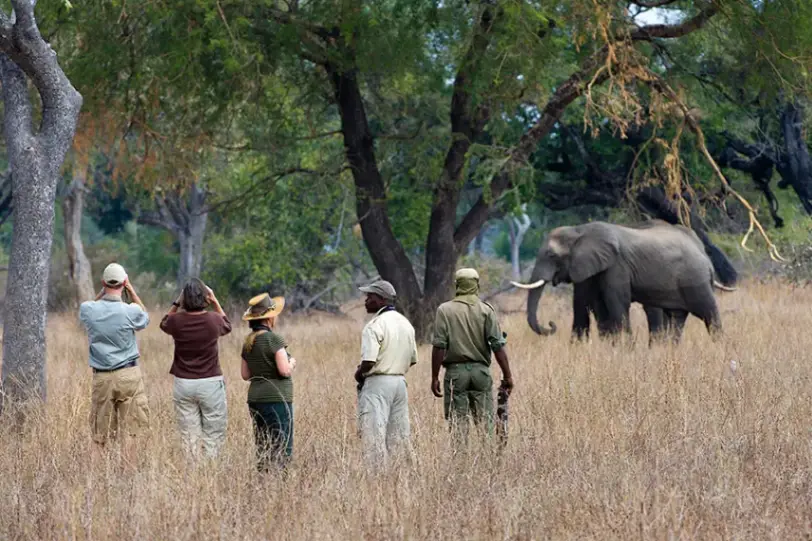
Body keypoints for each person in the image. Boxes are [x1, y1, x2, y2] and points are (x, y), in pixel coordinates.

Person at [430, 268, 513, 441]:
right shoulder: (486, 310)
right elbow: (498, 346)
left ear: (457, 286)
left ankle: (461, 465)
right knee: (486, 425)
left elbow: (439, 346)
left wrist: (435, 377)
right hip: (480, 373)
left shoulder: (444, 310)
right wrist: (508, 376)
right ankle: (488, 462)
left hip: (455, 374)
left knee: (458, 426)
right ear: (477, 285)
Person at [79, 263, 151, 450]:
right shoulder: (131, 311)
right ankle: (128, 476)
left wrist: (103, 293)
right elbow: (145, 317)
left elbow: (89, 308)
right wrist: (132, 292)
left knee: (99, 435)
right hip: (129, 375)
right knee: (132, 432)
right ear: (124, 282)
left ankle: (97, 477)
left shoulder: (89, 309)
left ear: (103, 283)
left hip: (101, 376)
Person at [159, 278, 232, 459]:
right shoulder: (214, 320)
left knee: (188, 435)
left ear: (184, 299)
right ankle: (209, 472)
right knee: (213, 434)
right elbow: (227, 325)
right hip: (210, 382)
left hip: (183, 383)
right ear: (204, 298)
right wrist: (215, 300)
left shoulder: (176, 321)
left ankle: (192, 474)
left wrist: (177, 302)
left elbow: (164, 322)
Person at [355, 279, 419, 467]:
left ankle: (376, 479)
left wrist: (359, 374)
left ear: (382, 300)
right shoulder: (405, 323)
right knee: (399, 436)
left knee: (374, 434)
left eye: (370, 297)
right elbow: (413, 359)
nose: (366, 301)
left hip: (378, 383)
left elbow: (369, 361)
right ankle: (402, 475)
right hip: (400, 383)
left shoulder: (374, 325)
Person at [240, 293, 297, 471]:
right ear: (269, 318)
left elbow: (245, 374)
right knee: (281, 443)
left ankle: (263, 478)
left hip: (256, 399)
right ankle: (280, 482)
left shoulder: (248, 341)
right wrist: (292, 362)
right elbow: (284, 370)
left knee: (263, 442)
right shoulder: (274, 339)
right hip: (277, 399)